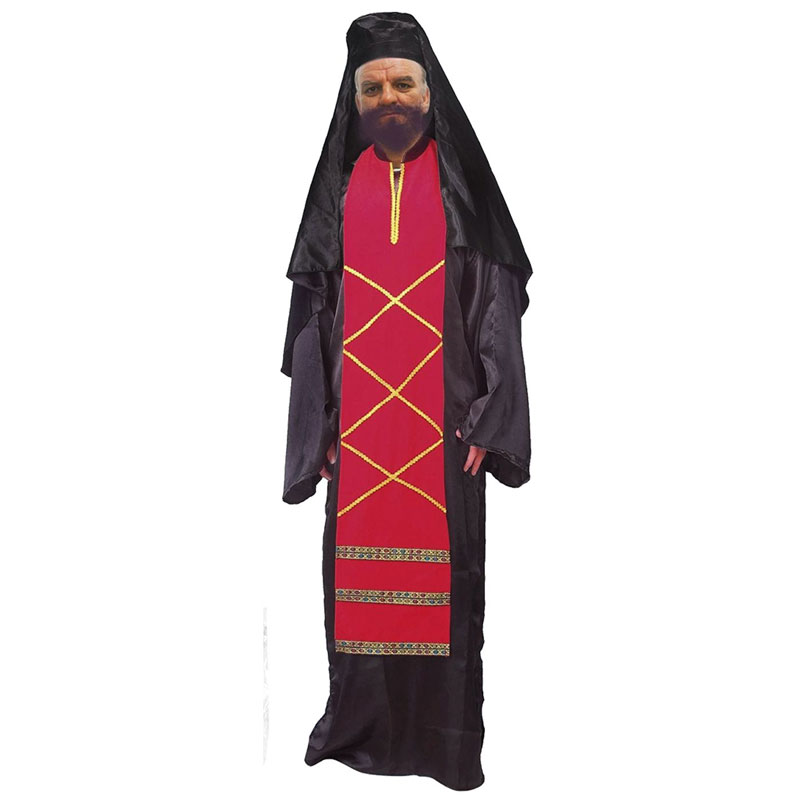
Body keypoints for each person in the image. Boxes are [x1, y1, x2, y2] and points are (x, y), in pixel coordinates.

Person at [280, 12, 532, 791]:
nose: (389, 98)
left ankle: (441, 748)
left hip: (445, 432)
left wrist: (493, 413)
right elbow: (315, 319)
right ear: (354, 98)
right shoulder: (338, 192)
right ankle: (359, 731)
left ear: (429, 91)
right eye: (374, 87)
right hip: (358, 436)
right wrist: (319, 425)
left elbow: (496, 303)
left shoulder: (462, 192)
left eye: (402, 83)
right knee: (354, 587)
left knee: (449, 593)